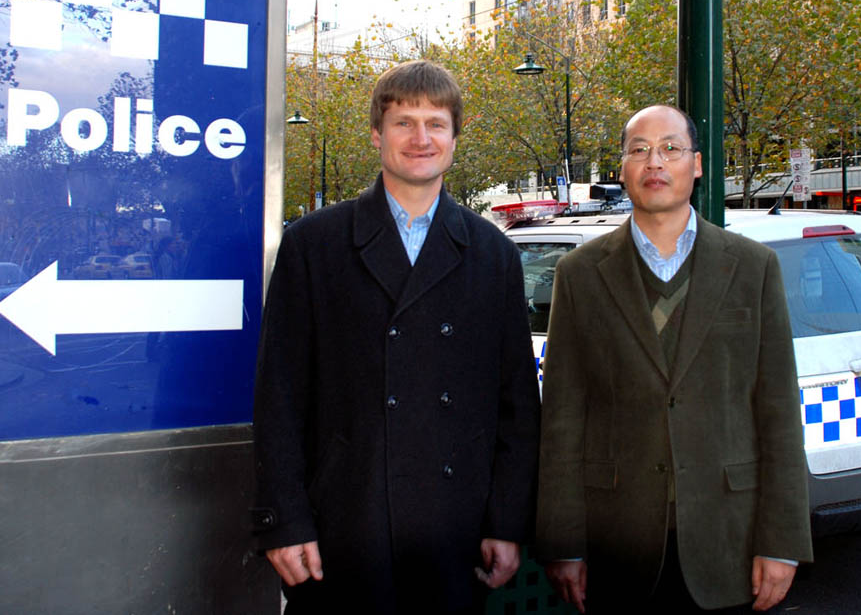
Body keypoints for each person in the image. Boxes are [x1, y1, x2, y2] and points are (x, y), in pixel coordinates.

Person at [252, 60, 541, 614]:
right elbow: (280, 396)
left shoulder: (494, 254)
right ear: (376, 134)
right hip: (343, 526)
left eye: (436, 123)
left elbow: (517, 407)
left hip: (454, 531)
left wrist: (507, 522)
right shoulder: (314, 245)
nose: (420, 138)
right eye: (404, 122)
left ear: (455, 137)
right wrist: (283, 520)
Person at [536, 105, 812, 613]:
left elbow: (778, 412)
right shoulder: (579, 274)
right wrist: (563, 543)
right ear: (622, 168)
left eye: (670, 148)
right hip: (615, 542)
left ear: (697, 164)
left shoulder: (754, 268)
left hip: (729, 538)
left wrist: (782, 542)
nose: (655, 162)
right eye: (639, 150)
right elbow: (562, 418)